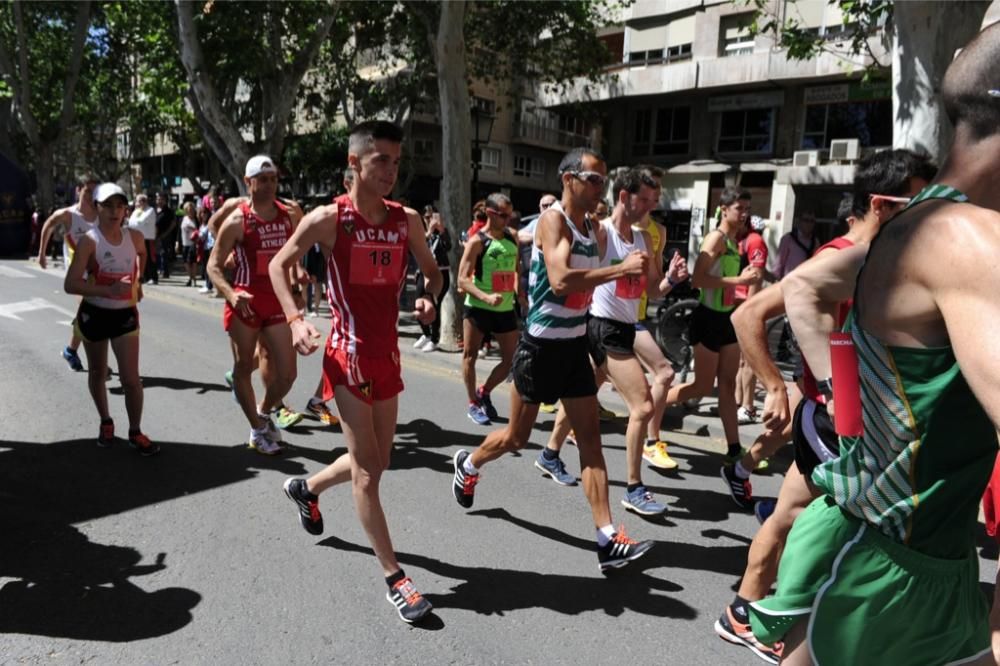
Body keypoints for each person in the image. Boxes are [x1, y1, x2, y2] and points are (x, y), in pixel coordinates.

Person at [748, 27, 1000, 665]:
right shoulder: (964, 241)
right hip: (893, 570)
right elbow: (785, 295)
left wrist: (845, 391)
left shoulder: (922, 224)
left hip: (906, 553)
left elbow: (803, 288)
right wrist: (826, 390)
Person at [716, 150, 934, 663]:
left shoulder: (886, 261)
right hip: (832, 422)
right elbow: (747, 315)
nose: (929, 220)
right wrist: (772, 386)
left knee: (792, 519)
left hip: (856, 420)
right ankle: (758, 616)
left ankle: (747, 612)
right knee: (803, 523)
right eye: (919, 206)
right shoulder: (836, 256)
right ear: (882, 205)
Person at [451, 147, 656, 572]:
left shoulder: (592, 227)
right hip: (539, 348)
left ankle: (606, 536)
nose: (601, 187)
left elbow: (620, 240)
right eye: (594, 179)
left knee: (592, 441)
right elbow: (561, 280)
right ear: (569, 180)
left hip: (573, 348)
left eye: (604, 180)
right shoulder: (552, 221)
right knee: (515, 439)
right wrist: (619, 271)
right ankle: (468, 463)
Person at [270, 121, 441, 623]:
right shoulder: (330, 220)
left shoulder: (405, 220)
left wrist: (430, 296)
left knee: (377, 459)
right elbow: (281, 265)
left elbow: (432, 272)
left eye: (396, 161)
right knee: (368, 472)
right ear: (355, 164)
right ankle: (396, 578)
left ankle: (307, 489)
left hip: (388, 355)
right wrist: (297, 319)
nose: (390, 171)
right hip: (346, 357)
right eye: (380, 161)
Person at [535, 166, 688, 513]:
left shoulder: (645, 239)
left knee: (582, 395)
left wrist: (671, 281)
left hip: (627, 326)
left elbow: (651, 289)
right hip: (601, 326)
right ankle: (633, 489)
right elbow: (572, 272)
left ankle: (549, 453)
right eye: (644, 199)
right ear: (623, 196)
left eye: (654, 200)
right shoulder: (599, 233)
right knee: (643, 406)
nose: (650, 207)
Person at [663, 187, 760, 505]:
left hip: (727, 320)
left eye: (747, 207)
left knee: (728, 386)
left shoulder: (734, 242)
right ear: (723, 209)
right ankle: (653, 407)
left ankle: (734, 449)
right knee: (701, 386)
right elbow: (699, 280)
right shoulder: (716, 239)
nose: (744, 213)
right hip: (706, 319)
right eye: (738, 207)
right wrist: (739, 283)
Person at [207, 156, 303, 455]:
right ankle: (257, 430)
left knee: (287, 374)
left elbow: (295, 253)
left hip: (276, 301)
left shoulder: (289, 215)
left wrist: (297, 284)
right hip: (245, 303)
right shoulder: (237, 220)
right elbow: (213, 266)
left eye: (273, 179)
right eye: (263, 179)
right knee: (242, 368)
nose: (270, 184)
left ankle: (261, 413)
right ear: (248, 182)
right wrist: (232, 295)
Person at [63, 183, 157, 456]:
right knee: (97, 372)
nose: (115, 211)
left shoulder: (135, 237)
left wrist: (137, 282)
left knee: (131, 379)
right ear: (97, 208)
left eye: (120, 205)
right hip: (96, 313)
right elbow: (71, 284)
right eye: (108, 206)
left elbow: (141, 256)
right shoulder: (89, 241)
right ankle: (106, 421)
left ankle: (135, 431)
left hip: (125, 314)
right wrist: (106, 289)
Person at [458, 193, 519, 424]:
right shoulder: (477, 242)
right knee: (470, 356)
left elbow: (515, 269)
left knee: (510, 359)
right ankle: (473, 403)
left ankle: (484, 392)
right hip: (477, 308)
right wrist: (485, 296)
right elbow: (461, 281)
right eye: (503, 215)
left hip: (504, 309)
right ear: (491, 213)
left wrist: (519, 295)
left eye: (510, 216)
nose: (508, 220)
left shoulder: (512, 238)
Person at [36, 173, 99, 372]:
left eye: (94, 192)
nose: (91, 196)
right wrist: (41, 253)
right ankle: (98, 363)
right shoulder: (69, 215)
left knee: (90, 314)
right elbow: (48, 224)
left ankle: (71, 350)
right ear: (78, 190)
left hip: (96, 273)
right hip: (76, 273)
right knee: (90, 311)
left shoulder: (101, 214)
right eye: (88, 191)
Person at [735, 215, 769, 425]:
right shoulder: (739, 239)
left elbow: (756, 278)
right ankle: (739, 403)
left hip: (746, 304)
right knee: (739, 359)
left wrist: (749, 312)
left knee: (750, 358)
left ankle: (748, 406)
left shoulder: (755, 240)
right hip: (736, 303)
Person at [413, 206, 451, 352]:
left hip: (440, 273)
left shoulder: (442, 233)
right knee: (417, 305)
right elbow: (417, 248)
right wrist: (429, 232)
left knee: (434, 305)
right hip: (423, 273)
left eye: (432, 217)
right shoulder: (422, 234)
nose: (430, 220)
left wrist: (441, 230)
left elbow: (448, 246)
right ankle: (426, 334)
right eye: (427, 217)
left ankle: (434, 339)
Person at [773, 211, 816, 280]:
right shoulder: (788, 239)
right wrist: (776, 280)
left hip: (806, 282)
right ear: (799, 222)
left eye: (812, 221)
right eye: (806, 220)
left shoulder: (815, 242)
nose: (809, 224)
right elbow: (779, 262)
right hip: (789, 282)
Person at [127, 194, 158, 285]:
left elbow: (140, 222)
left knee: (150, 258)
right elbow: (131, 222)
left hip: (148, 237)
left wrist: (134, 223)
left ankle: (153, 277)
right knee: (140, 258)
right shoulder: (137, 211)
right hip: (138, 237)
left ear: (145, 201)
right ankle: (143, 276)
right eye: (137, 201)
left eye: (140, 201)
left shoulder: (150, 210)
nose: (138, 203)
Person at [154, 193, 177, 279]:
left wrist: (165, 234)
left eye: (161, 199)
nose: (159, 201)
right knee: (156, 254)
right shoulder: (154, 210)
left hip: (165, 236)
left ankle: (165, 272)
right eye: (158, 199)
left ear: (165, 201)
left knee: (164, 254)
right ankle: (158, 269)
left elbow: (173, 224)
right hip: (155, 235)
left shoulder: (169, 211)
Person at [179, 201, 199, 287]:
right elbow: (179, 231)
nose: (189, 211)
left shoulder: (196, 219)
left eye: (191, 209)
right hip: (184, 242)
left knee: (192, 262)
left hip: (193, 243)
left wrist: (193, 228)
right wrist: (177, 242)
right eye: (187, 209)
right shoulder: (183, 218)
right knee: (185, 262)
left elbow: (200, 229)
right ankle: (190, 278)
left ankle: (193, 279)